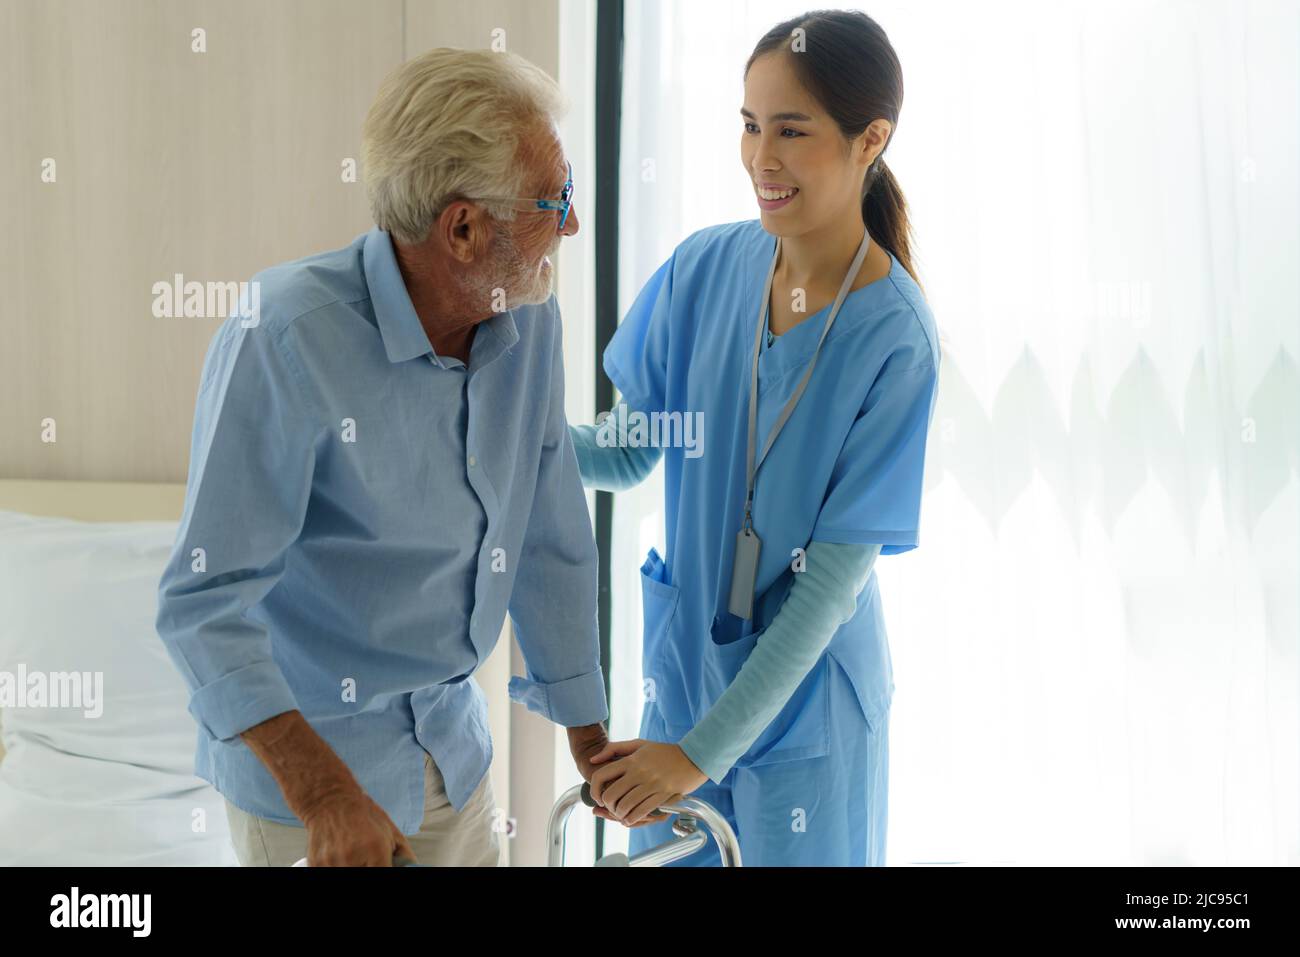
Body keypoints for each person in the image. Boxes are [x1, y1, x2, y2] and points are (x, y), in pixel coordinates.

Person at [155, 48, 611, 866]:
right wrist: (326, 796)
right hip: (313, 789)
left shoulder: (530, 321)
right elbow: (203, 604)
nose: (573, 224)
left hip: (456, 758)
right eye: (557, 200)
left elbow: (548, 529)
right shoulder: (283, 336)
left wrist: (588, 732)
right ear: (464, 228)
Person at [574, 10, 941, 866]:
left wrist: (699, 755)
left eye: (790, 130)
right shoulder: (704, 268)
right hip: (686, 684)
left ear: (869, 141)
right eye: (748, 125)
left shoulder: (894, 341)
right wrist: (509, 437)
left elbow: (828, 590)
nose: (760, 159)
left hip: (806, 715)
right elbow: (627, 448)